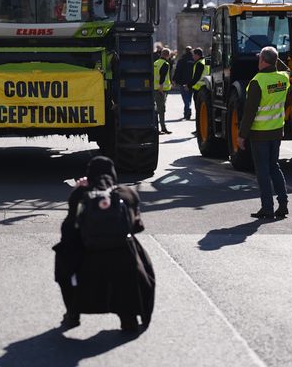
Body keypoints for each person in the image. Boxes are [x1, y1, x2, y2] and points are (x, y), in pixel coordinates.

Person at [52, 156, 154, 333]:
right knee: (140, 260)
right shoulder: (127, 193)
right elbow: (137, 227)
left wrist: (78, 191)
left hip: (88, 254)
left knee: (65, 260)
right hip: (123, 256)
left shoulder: (80, 195)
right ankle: (128, 318)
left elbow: (69, 230)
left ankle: (73, 314)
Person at [237, 46, 290, 219]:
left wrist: (242, 135)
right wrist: (274, 58)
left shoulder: (257, 82)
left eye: (260, 57)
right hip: (276, 131)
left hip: (260, 134)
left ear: (262, 61)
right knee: (274, 167)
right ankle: (283, 205)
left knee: (262, 171)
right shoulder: (283, 78)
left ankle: (267, 208)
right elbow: (286, 69)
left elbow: (249, 112)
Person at [173, 46, 195, 120]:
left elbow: (177, 71)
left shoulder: (181, 60)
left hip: (183, 82)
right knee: (189, 97)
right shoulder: (194, 60)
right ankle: (187, 110)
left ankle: (187, 111)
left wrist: (174, 80)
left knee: (185, 98)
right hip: (191, 82)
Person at [153, 48, 171, 134]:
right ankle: (162, 128)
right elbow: (162, 76)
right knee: (161, 110)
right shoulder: (165, 64)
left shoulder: (155, 63)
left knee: (156, 109)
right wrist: (161, 87)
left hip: (154, 89)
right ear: (167, 55)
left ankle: (157, 127)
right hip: (161, 90)